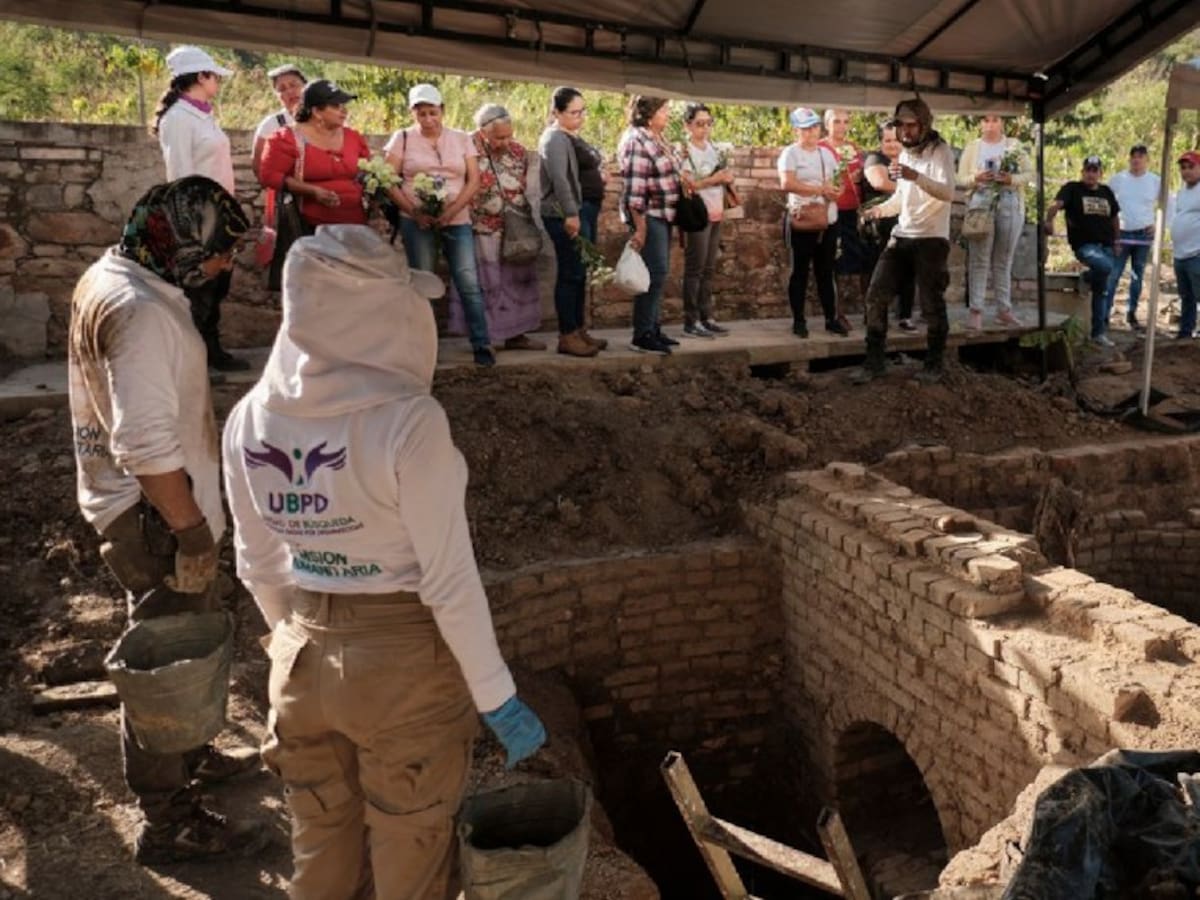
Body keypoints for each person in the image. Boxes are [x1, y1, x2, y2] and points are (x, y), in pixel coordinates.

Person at [222, 224, 546, 899]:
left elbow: (257, 564)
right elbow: (449, 580)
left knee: (320, 856)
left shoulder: (250, 418)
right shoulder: (408, 422)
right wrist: (497, 696)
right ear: (377, 311)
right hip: (402, 669)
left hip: (301, 662)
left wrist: (300, 634)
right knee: (412, 862)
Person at [68, 176, 265, 863]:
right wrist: (192, 532)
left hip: (143, 507)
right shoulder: (141, 311)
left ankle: (194, 753)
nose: (223, 266)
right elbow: (145, 443)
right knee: (163, 664)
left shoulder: (115, 274)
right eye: (217, 251)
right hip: (156, 517)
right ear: (179, 239)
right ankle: (169, 818)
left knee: (184, 649)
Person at [385, 83, 495, 367]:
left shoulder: (460, 139)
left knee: (468, 281)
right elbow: (388, 178)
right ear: (413, 113)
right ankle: (425, 350)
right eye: (421, 113)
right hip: (416, 220)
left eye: (432, 112)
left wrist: (453, 210)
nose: (428, 119)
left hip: (456, 219)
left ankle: (482, 344)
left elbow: (474, 180)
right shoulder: (403, 138)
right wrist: (413, 211)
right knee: (424, 283)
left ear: (442, 110)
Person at [153, 45, 247, 372]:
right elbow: (180, 172)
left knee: (217, 285)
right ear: (201, 76)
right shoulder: (178, 119)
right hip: (200, 216)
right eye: (214, 76)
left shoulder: (202, 114)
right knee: (200, 288)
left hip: (220, 214)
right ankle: (197, 356)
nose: (218, 83)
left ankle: (209, 350)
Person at [854, 97, 956, 384]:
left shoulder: (940, 151)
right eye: (901, 126)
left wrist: (915, 175)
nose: (906, 132)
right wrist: (878, 210)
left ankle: (934, 365)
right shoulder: (907, 153)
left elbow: (947, 192)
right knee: (876, 296)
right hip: (903, 235)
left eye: (911, 126)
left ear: (924, 125)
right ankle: (874, 362)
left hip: (931, 238)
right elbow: (902, 199)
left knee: (931, 304)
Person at [447, 103, 546, 353]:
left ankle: (517, 334)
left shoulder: (518, 152)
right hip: (482, 227)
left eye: (508, 135)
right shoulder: (466, 149)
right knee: (487, 282)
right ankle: (486, 337)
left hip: (516, 228)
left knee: (518, 281)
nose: (505, 141)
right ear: (483, 132)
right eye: (499, 137)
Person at [539, 86, 604, 358]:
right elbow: (560, 180)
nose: (580, 117)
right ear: (557, 112)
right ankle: (567, 334)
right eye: (574, 112)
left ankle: (578, 330)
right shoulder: (554, 139)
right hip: (565, 212)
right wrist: (571, 213)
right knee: (570, 274)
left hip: (581, 210)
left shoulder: (568, 136)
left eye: (582, 111)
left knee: (580, 274)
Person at [618, 95, 685, 355]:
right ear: (649, 113)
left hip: (664, 214)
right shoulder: (637, 140)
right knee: (654, 273)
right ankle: (642, 333)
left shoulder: (657, 138)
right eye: (664, 109)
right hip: (650, 215)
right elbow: (635, 189)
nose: (668, 113)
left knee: (659, 273)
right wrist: (640, 227)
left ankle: (654, 327)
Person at [259, 79, 370, 231]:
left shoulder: (353, 137)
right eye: (336, 106)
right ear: (317, 111)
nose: (344, 110)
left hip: (355, 226)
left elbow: (368, 171)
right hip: (308, 227)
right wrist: (312, 191)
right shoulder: (287, 138)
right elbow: (269, 176)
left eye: (344, 105)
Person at [956, 114, 1031, 330]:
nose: (990, 125)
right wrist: (976, 177)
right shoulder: (973, 147)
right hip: (980, 201)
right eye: (986, 120)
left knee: (1004, 260)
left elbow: (1029, 173)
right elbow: (961, 177)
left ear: (1002, 123)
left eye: (995, 120)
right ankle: (976, 310)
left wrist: (1011, 179)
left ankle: (1004, 310)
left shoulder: (1014, 145)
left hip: (1009, 201)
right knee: (979, 259)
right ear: (980, 123)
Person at [777, 107, 845, 338]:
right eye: (806, 128)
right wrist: (818, 189)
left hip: (828, 219)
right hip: (802, 219)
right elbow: (787, 183)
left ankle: (831, 319)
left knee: (826, 271)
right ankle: (799, 320)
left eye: (814, 127)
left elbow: (839, 182)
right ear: (796, 130)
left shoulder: (826, 154)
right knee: (800, 272)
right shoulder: (790, 153)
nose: (811, 132)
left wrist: (836, 192)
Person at [1044, 156, 1121, 347]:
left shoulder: (1106, 192)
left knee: (1101, 291)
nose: (1091, 174)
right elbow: (1056, 204)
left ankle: (1098, 333)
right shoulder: (1072, 188)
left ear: (1100, 173)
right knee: (1105, 268)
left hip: (1107, 245)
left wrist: (1117, 240)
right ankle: (1088, 275)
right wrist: (1049, 220)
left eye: (1095, 170)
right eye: (1088, 170)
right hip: (1085, 246)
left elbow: (1114, 217)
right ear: (1082, 172)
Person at [678, 102, 735, 338]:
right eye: (699, 124)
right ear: (688, 125)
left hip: (715, 211)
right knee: (695, 267)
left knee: (709, 268)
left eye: (708, 124)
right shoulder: (684, 151)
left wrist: (726, 178)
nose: (704, 129)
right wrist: (715, 179)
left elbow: (724, 177)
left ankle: (707, 315)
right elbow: (688, 186)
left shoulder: (715, 149)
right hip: (697, 214)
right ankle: (691, 320)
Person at [861, 121, 915, 330]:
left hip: (906, 224)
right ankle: (875, 316)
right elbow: (879, 183)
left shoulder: (909, 160)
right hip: (879, 227)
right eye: (888, 140)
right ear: (881, 142)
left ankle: (905, 316)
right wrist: (911, 189)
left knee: (908, 270)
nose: (893, 144)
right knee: (878, 271)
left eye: (896, 140)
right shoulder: (875, 159)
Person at [1105, 144, 1161, 331]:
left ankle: (1132, 313)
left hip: (1143, 234)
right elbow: (1106, 204)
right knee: (1114, 274)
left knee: (1137, 276)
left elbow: (1168, 203)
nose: (1136, 160)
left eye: (1140, 157)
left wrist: (1159, 225)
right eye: (1133, 156)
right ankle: (1105, 314)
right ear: (1129, 159)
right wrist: (1110, 230)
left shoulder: (1155, 181)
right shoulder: (1118, 179)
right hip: (1121, 232)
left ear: (1147, 160)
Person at [820, 108, 868, 303]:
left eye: (845, 121)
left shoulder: (853, 148)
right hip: (831, 211)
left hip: (853, 211)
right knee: (834, 262)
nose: (841, 126)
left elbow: (860, 178)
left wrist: (858, 178)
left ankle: (868, 308)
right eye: (836, 121)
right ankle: (837, 311)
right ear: (827, 125)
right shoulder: (820, 148)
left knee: (864, 258)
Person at [251, 64, 307, 179]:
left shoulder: (326, 117)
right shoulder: (271, 125)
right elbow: (258, 166)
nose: (290, 91)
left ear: (306, 87)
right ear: (278, 96)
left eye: (294, 85)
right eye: (282, 89)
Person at [1168, 151, 1200, 339]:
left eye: (1191, 167)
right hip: (1180, 254)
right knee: (1186, 297)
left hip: (1197, 253)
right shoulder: (1181, 192)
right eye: (1183, 168)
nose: (1186, 171)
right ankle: (1185, 333)